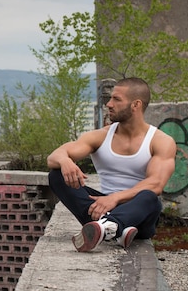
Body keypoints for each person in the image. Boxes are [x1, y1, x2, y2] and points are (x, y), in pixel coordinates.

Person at [47, 77, 176, 252]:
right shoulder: (101, 136)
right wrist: (64, 161)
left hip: (139, 216)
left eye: (116, 99)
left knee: (150, 197)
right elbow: (54, 156)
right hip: (98, 208)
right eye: (110, 98)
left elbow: (156, 183)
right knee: (56, 175)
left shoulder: (160, 141)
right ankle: (113, 229)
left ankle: (109, 226)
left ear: (135, 105)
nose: (109, 104)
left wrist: (114, 198)